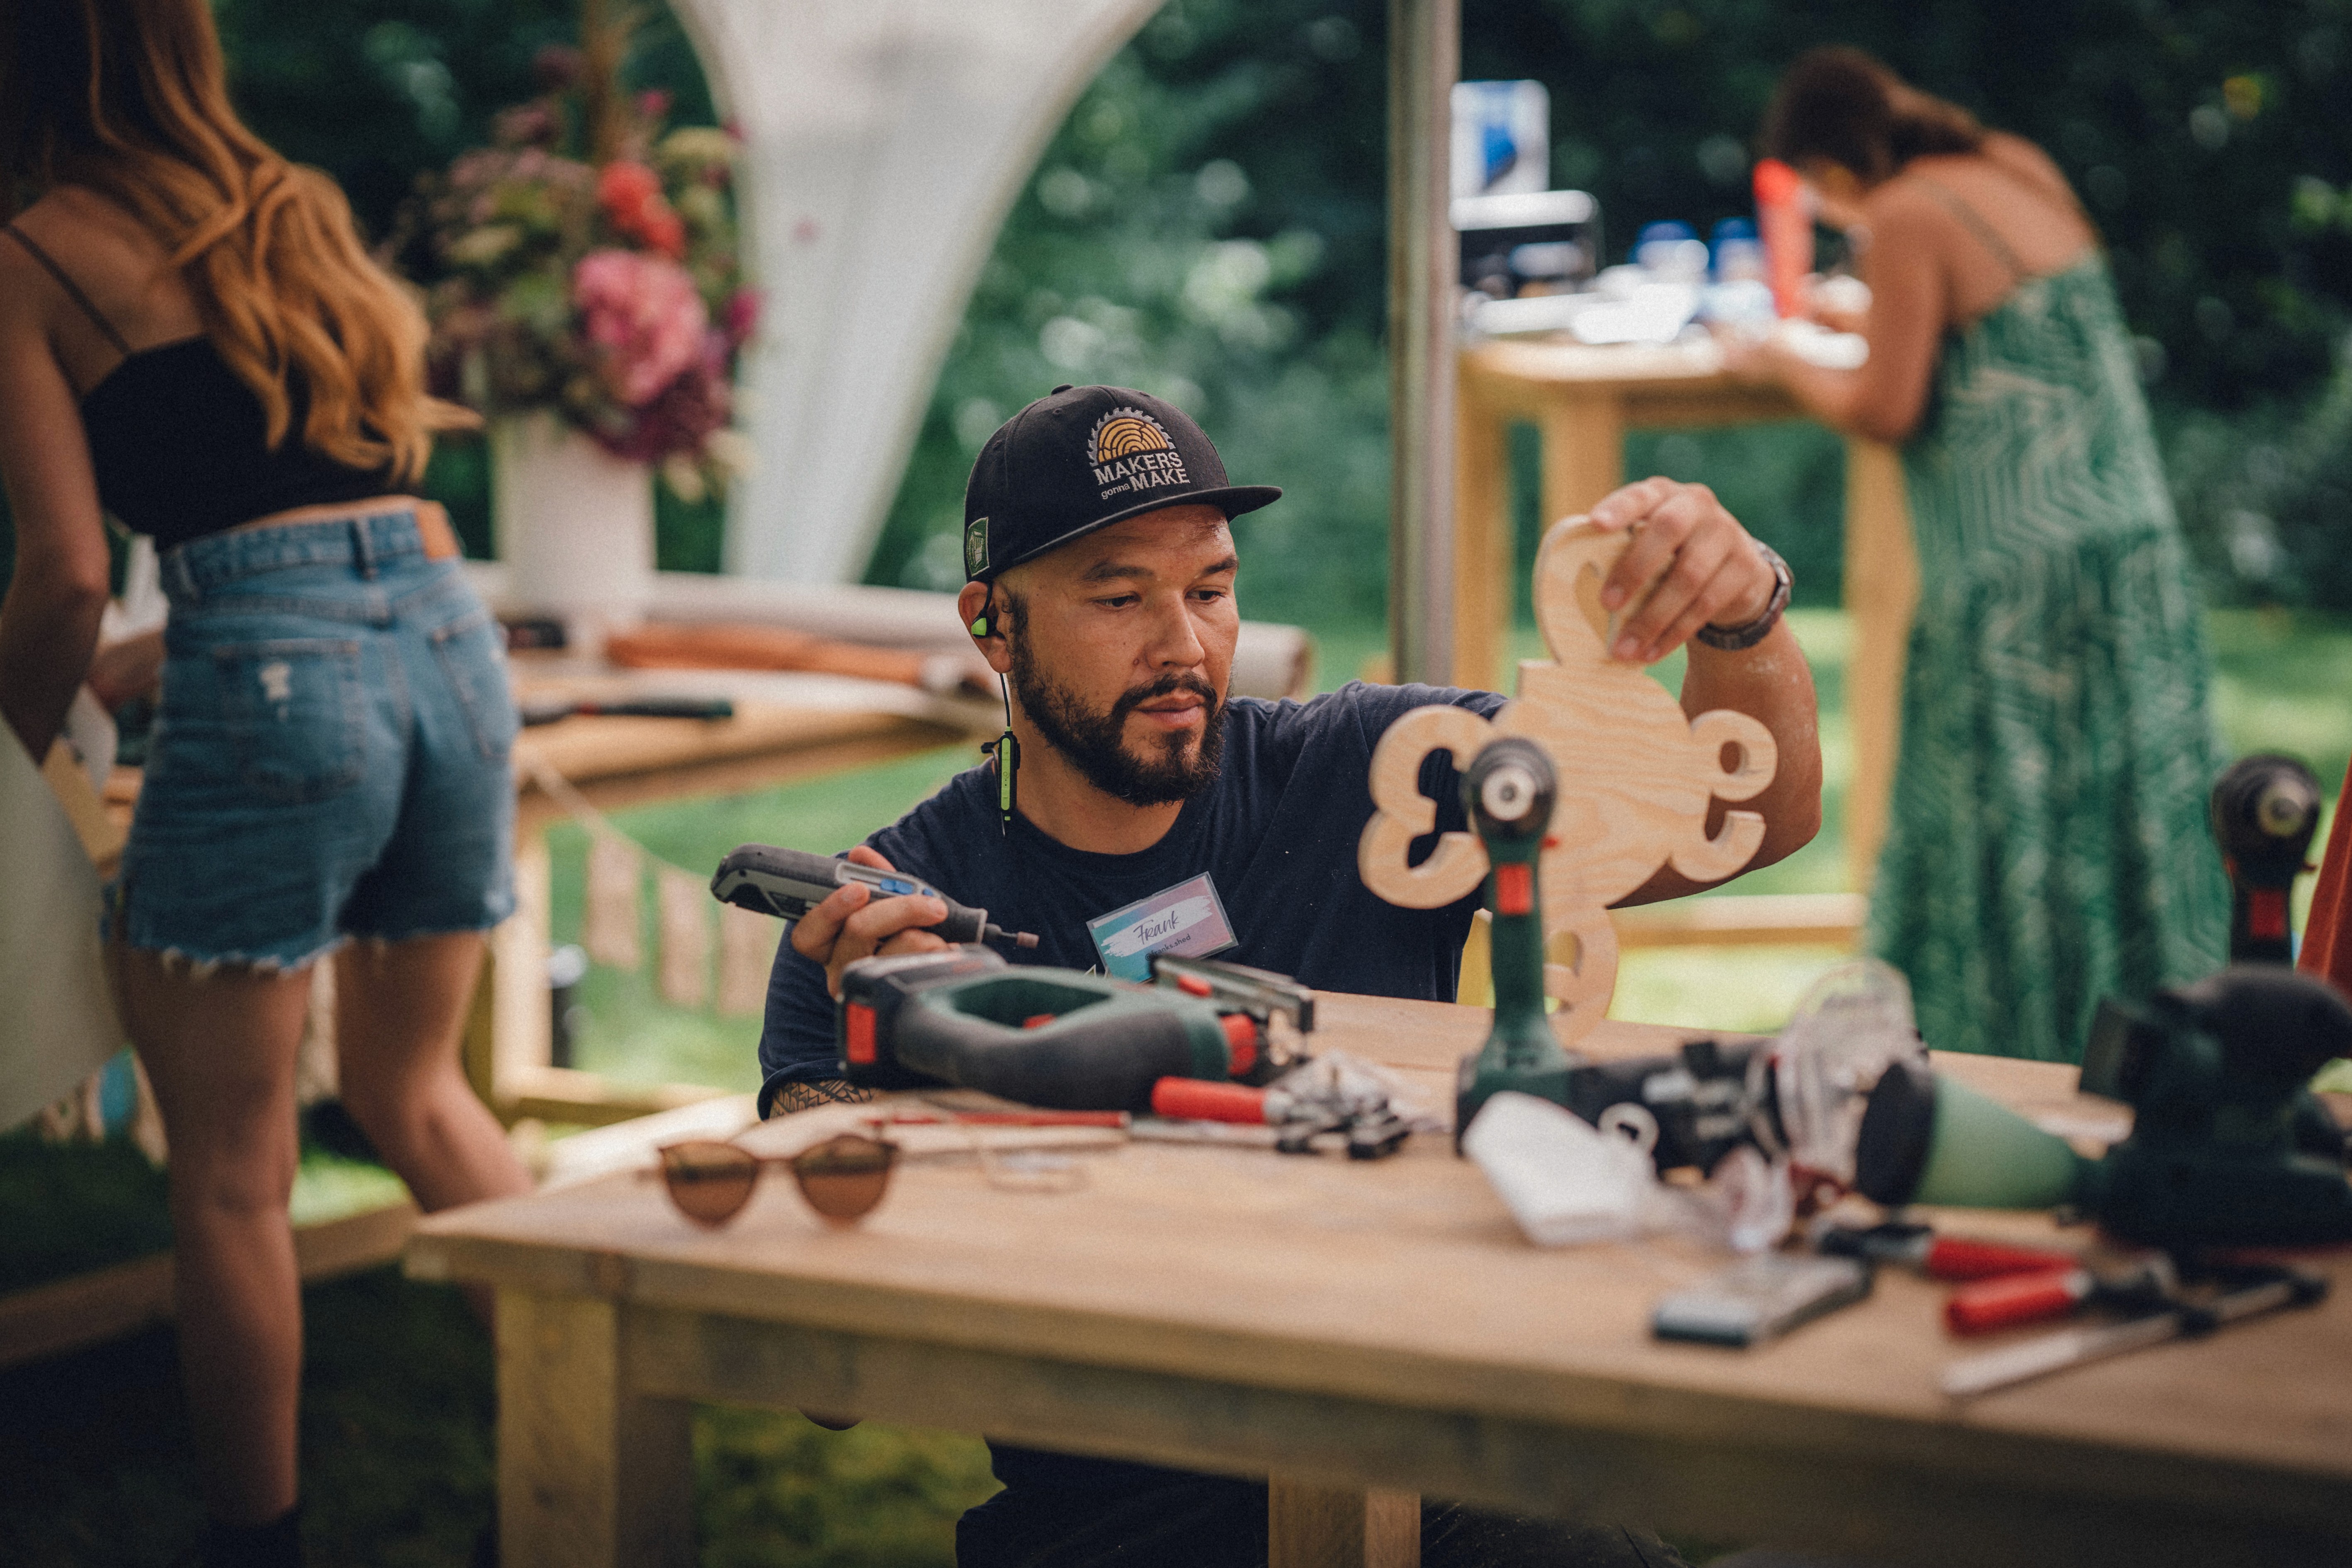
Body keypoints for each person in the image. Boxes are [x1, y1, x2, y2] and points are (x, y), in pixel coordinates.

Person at [758, 383, 1822, 1567]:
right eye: (1119, 597)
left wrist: (1742, 613)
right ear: (991, 626)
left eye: (1210, 589)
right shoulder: (887, 916)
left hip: (1446, 1464)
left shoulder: (1371, 770)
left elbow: (1744, 815)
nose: (1182, 644)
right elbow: (822, 1376)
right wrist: (896, 1055)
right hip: (1122, 1513)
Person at [0, 4, 532, 1564]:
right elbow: (330, 504)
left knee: (232, 1177)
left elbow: (66, 574)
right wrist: (181, 649)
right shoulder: (288, 208)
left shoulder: (33, 253)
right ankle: (607, 1389)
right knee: (416, 1088)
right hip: (446, 641)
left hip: (282, 678)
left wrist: (10, 740)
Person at [1724, 46, 2228, 1062]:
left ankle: (2005, 1047)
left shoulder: (1906, 214)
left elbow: (1884, 404)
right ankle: (2166, 1039)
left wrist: (1779, 355)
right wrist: (1857, 312)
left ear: (1829, 165)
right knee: (2128, 816)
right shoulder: (2011, 167)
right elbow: (2005, 333)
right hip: (2126, 550)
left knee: (2002, 831)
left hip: (2016, 580)